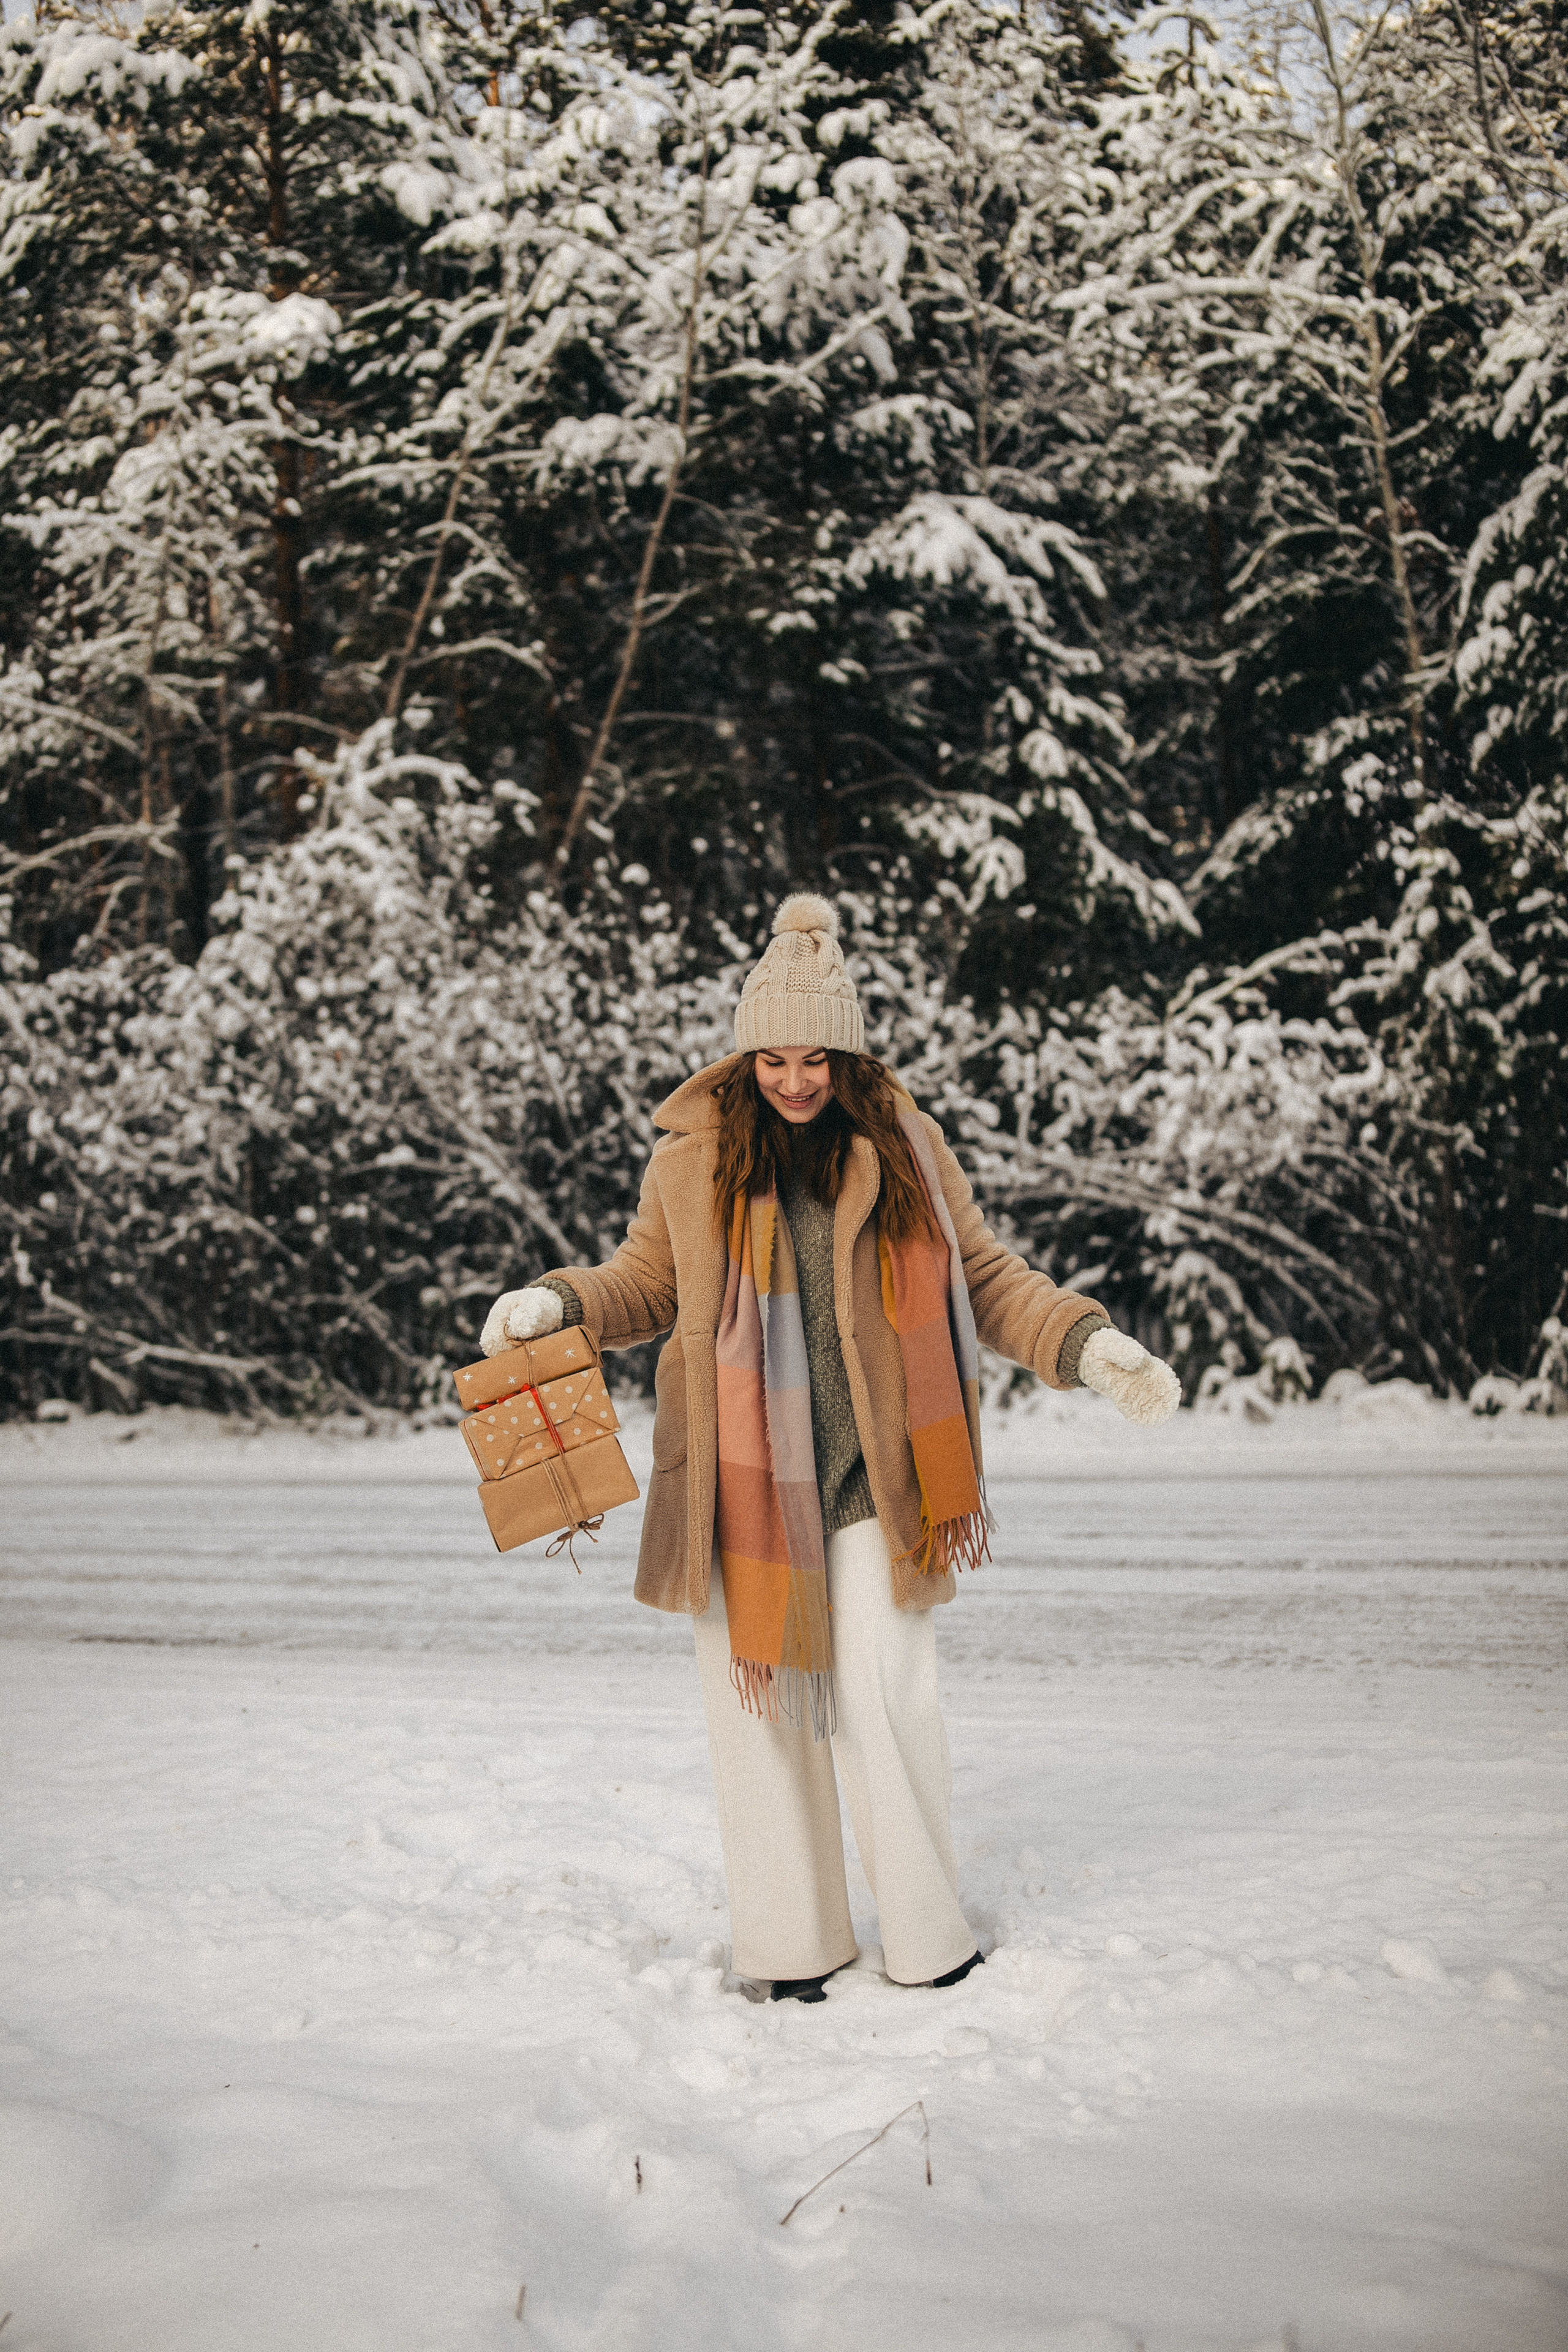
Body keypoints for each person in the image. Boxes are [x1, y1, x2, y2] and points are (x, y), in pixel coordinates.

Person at [480, 895, 1180, 2002]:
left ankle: (927, 1935)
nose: (795, 1080)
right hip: (739, 1483)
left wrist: (1085, 1344)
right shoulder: (693, 1158)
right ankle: (790, 1951)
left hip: (874, 1477)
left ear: (847, 1055)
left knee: (883, 1702)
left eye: (815, 1058)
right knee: (760, 1724)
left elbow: (984, 1277)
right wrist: (556, 1302)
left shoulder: (903, 1144)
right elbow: (647, 1286)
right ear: (747, 1052)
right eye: (775, 1058)